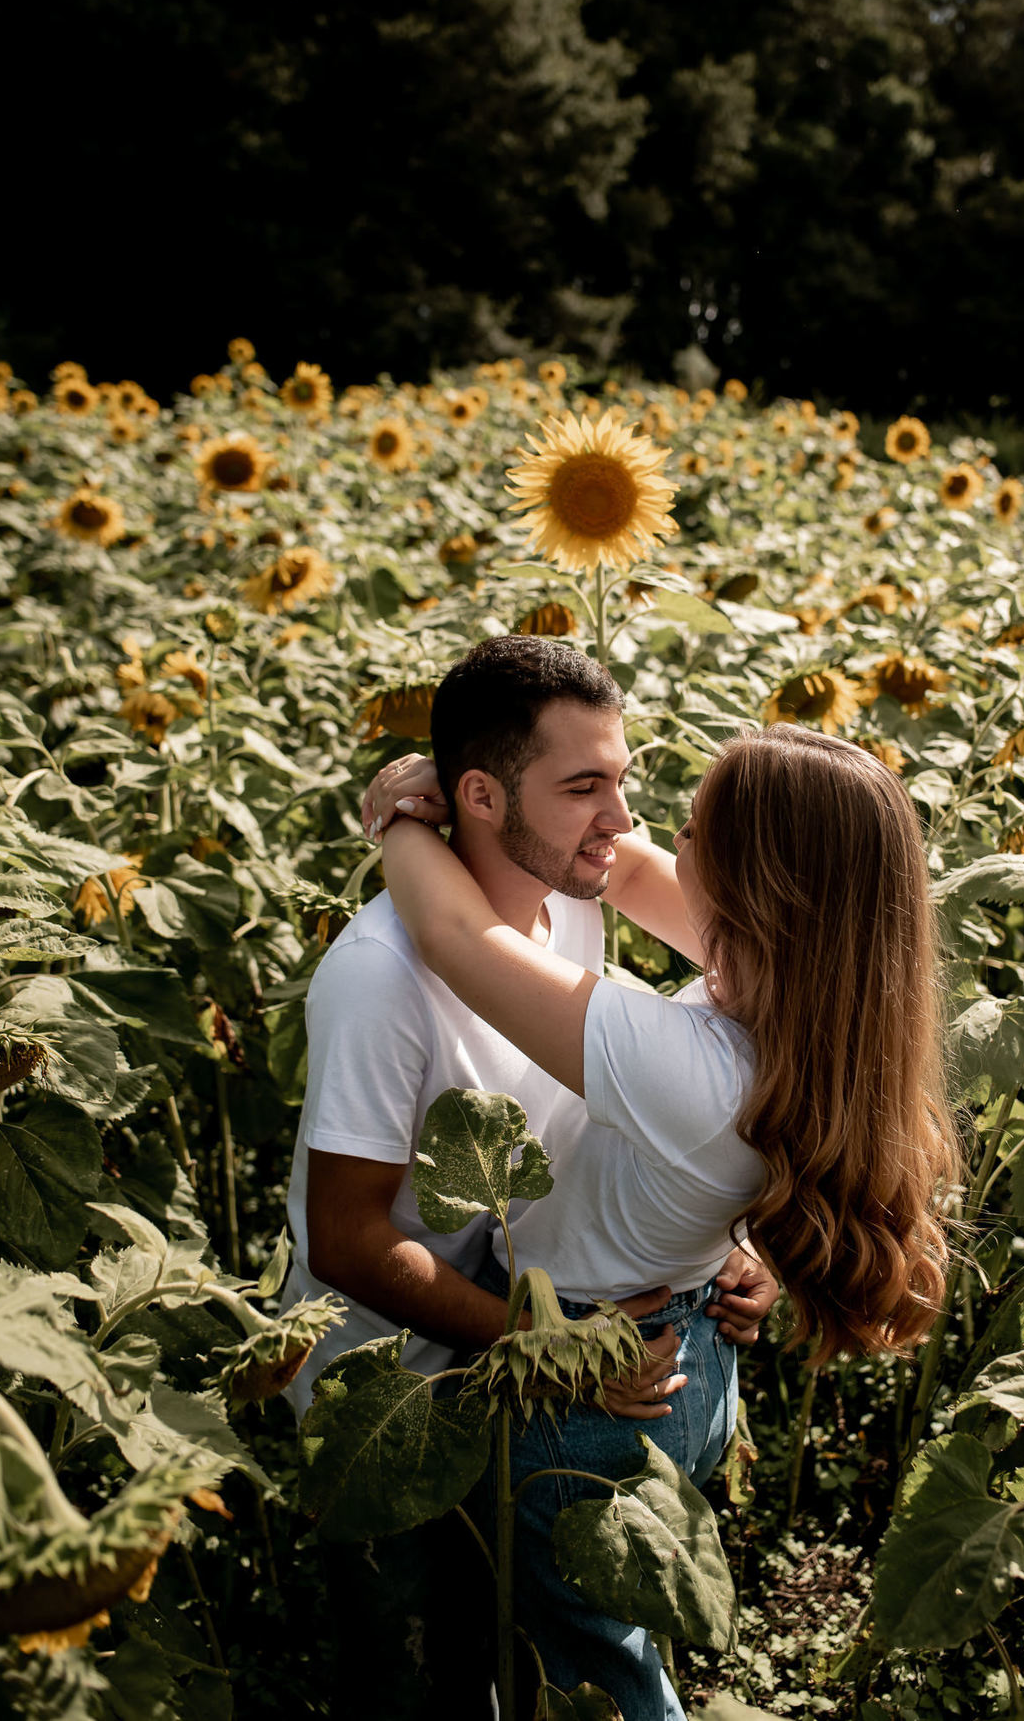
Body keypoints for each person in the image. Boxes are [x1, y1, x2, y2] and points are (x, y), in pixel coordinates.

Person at [376, 719, 963, 1720]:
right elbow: (633, 874)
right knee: (607, 1631)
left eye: (693, 830)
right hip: (688, 1348)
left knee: (593, 1681)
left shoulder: (686, 1066)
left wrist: (394, 810)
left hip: (596, 1385)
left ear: (753, 888)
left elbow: (454, 936)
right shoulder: (823, 1002)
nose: (655, 839)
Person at [280, 636, 776, 1718]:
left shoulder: (580, 893)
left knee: (552, 1661)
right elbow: (348, 1240)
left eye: (625, 782)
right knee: (424, 1674)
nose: (621, 818)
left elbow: (736, 1051)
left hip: (543, 1354)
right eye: (583, 786)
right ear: (483, 796)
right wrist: (541, 1343)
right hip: (403, 1376)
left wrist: (734, 1243)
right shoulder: (378, 977)